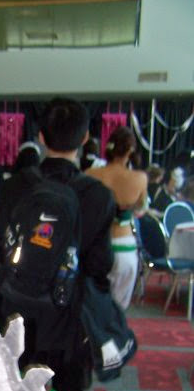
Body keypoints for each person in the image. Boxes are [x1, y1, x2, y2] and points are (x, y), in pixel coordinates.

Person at [0, 97, 115, 391]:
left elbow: (0, 246)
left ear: (40, 137)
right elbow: (100, 266)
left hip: (12, 318)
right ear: (84, 139)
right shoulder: (97, 195)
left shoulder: (13, 187)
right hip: (66, 320)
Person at [86, 126, 148, 310]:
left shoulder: (91, 174)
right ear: (130, 149)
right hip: (124, 246)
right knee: (119, 309)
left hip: (96, 245)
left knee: (93, 306)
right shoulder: (139, 178)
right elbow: (141, 208)